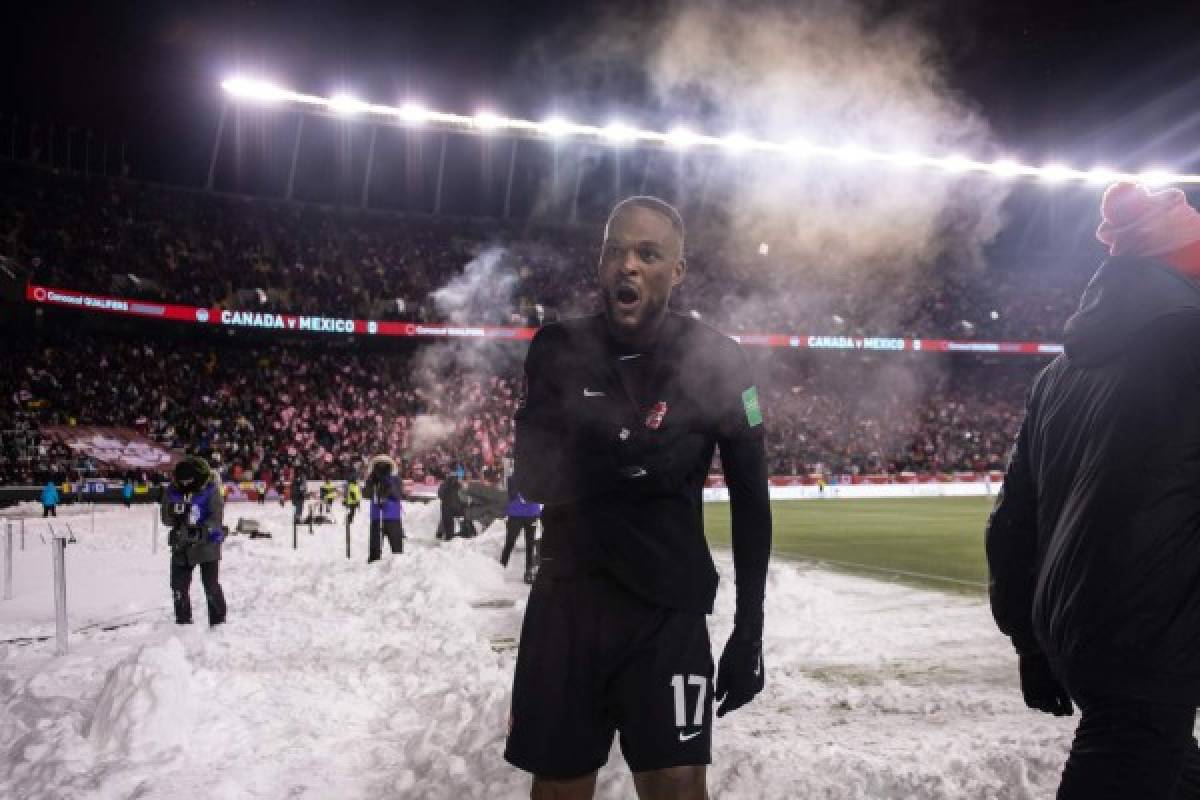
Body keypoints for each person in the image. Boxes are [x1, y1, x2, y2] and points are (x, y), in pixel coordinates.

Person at [504, 196, 772, 798]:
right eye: (614, 250)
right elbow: (531, 480)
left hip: (668, 614)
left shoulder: (722, 363)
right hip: (567, 604)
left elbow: (753, 503)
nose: (627, 265)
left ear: (676, 271)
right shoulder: (556, 348)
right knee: (558, 791)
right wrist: (625, 462)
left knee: (678, 788)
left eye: (647, 254)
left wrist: (749, 630)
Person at [987, 182, 1200, 799]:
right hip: (1152, 638)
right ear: (1180, 258)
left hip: (1079, 633)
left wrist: (1030, 643)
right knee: (1128, 756)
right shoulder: (1188, 341)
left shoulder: (1060, 372)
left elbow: (1012, 522)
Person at [161, 456, 227, 626]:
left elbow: (216, 519)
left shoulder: (211, 490)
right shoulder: (172, 490)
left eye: (188, 481)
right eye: (181, 481)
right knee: (178, 587)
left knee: (210, 586)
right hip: (181, 545)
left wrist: (198, 532)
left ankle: (218, 622)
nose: (184, 484)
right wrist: (176, 514)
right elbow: (166, 519)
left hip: (208, 546)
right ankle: (183, 622)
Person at [364, 455, 404, 561]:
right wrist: (370, 482)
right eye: (379, 465)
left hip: (392, 516)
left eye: (384, 465)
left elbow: (398, 496)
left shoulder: (396, 479)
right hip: (377, 516)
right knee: (374, 547)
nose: (382, 468)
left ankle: (398, 566)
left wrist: (388, 484)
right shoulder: (372, 479)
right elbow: (366, 494)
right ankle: (372, 564)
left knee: (397, 548)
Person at [501, 484, 541, 585]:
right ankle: (499, 569)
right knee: (509, 542)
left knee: (530, 544)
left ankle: (529, 572)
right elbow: (511, 492)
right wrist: (521, 495)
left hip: (532, 513)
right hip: (516, 513)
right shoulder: (515, 475)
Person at [437, 470, 465, 540]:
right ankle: (463, 533)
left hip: (447, 507)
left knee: (446, 521)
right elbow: (463, 497)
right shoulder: (459, 486)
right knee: (449, 521)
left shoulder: (444, 485)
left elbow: (440, 495)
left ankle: (443, 535)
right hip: (455, 507)